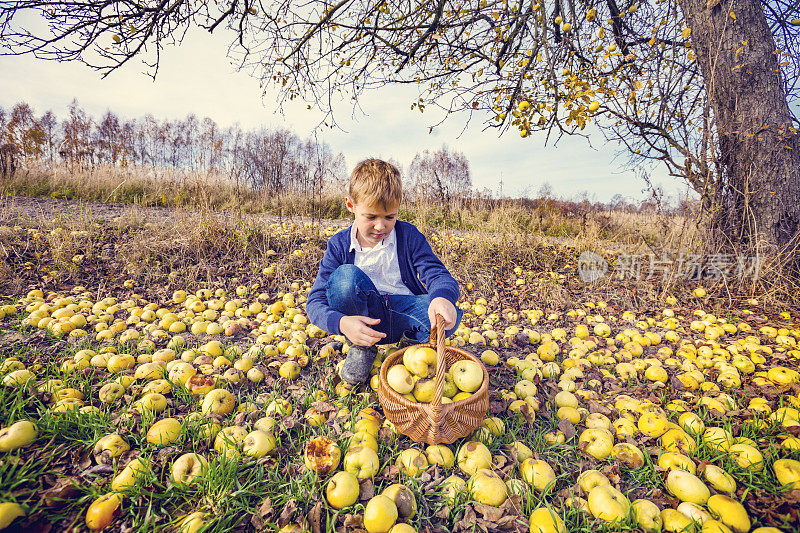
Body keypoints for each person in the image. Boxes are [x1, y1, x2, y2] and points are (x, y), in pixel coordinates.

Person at [306, 158, 463, 389]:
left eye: (389, 217)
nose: (381, 226)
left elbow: (437, 273)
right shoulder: (339, 244)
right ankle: (362, 348)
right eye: (371, 217)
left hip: (403, 313)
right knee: (344, 279)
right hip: (363, 320)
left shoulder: (408, 236)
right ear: (351, 206)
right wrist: (342, 323)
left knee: (451, 316)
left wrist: (441, 298)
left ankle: (407, 352)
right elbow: (314, 302)